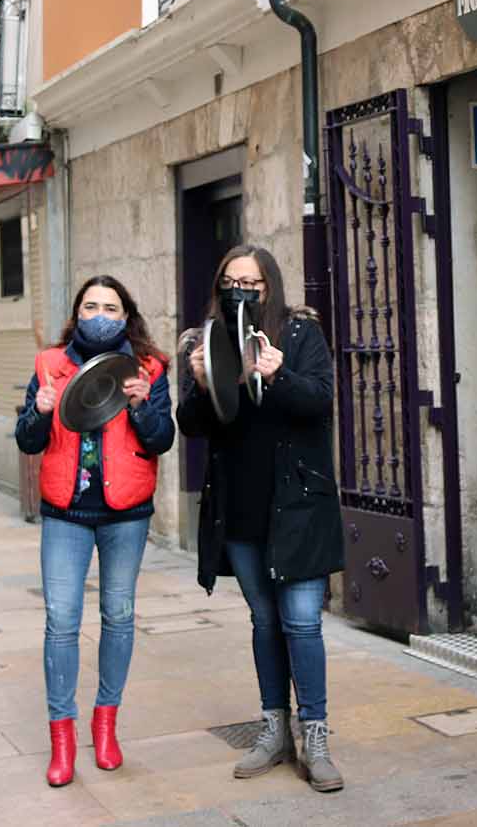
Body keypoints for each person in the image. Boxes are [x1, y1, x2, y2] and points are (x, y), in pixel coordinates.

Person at [178, 245, 344, 791]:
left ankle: (314, 733)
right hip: (242, 508)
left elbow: (320, 401)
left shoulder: (299, 336)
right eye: (232, 280)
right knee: (265, 621)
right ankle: (274, 729)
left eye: (253, 282)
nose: (241, 290)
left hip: (296, 505)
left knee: (301, 620)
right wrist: (201, 384)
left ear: (270, 287)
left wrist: (276, 375)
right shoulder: (207, 340)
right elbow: (193, 424)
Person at [14, 276, 174, 787]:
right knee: (61, 619)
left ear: (126, 315)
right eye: (90, 306)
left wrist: (143, 405)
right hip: (66, 511)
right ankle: (63, 739)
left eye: (110, 306)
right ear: (76, 313)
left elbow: (162, 440)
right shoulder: (49, 364)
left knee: (119, 613)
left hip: (126, 511)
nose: (100, 314)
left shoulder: (150, 367)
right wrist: (39, 412)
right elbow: (28, 439)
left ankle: (106, 726)